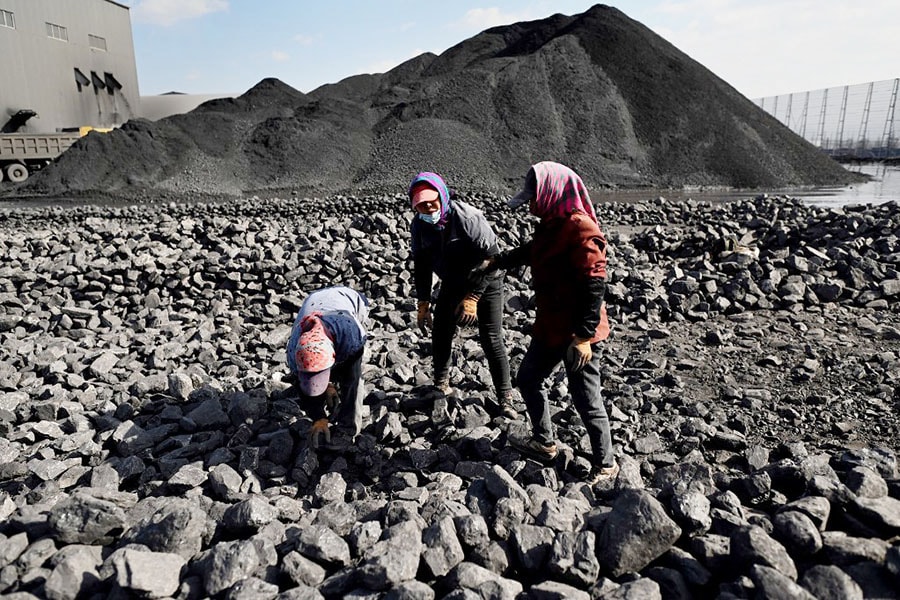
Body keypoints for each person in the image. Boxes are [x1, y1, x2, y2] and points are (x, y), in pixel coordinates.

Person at [480, 161, 619, 484]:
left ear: (553, 193)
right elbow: (534, 250)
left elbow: (594, 282)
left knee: (585, 396)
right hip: (550, 325)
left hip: (576, 332)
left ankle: (607, 463)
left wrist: (583, 336)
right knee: (528, 378)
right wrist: (499, 261)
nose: (529, 206)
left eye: (532, 199)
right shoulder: (551, 224)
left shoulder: (580, 228)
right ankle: (544, 441)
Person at [408, 171, 517, 418]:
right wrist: (423, 302)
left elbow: (493, 259)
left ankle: (505, 397)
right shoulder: (420, 225)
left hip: (486, 279)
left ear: (442, 196)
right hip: (453, 280)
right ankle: (441, 382)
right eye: (421, 205)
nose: (427, 207)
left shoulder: (467, 218)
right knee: (441, 330)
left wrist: (473, 298)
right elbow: (422, 265)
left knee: (491, 336)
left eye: (431, 201)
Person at [285, 285, 369, 448]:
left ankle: (348, 428)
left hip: (350, 300)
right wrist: (318, 417)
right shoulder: (294, 353)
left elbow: (352, 378)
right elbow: (301, 382)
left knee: (351, 379)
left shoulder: (351, 334)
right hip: (315, 300)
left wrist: (334, 380)